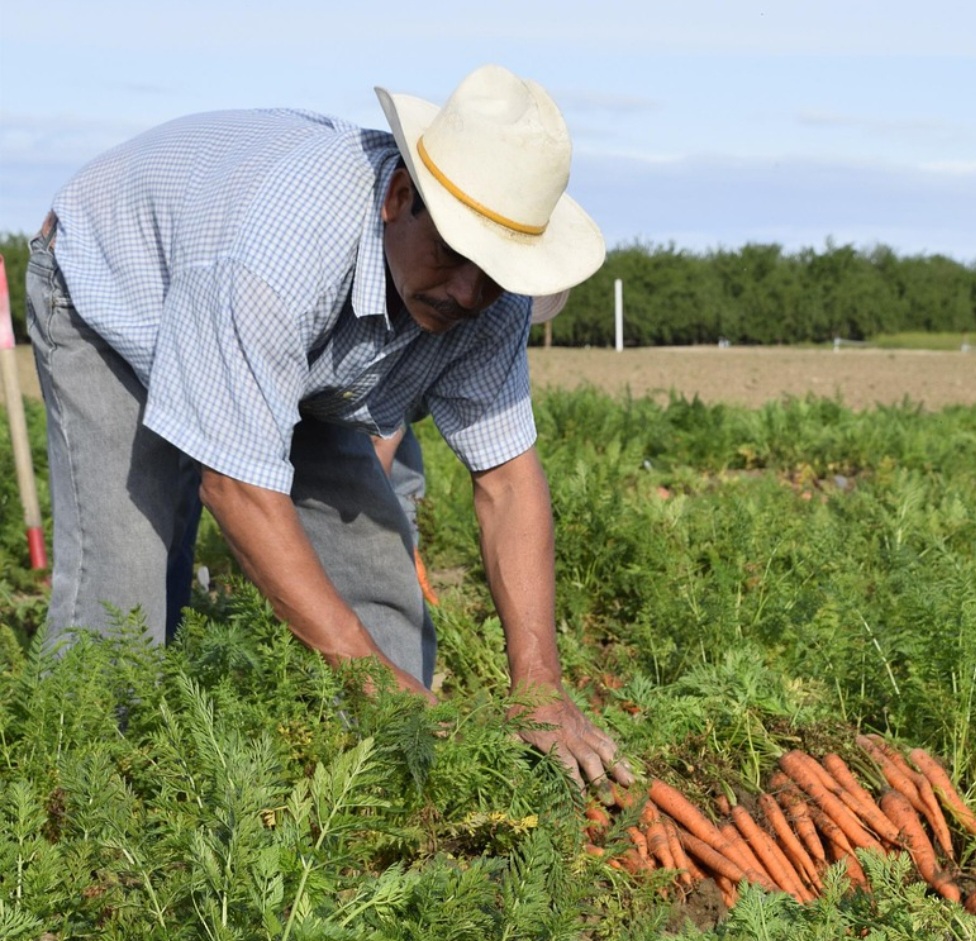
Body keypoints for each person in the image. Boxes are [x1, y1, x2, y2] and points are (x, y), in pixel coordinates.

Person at [26, 64, 631, 793]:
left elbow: (508, 481)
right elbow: (237, 487)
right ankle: (71, 823)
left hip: (308, 357)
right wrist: (363, 676)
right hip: (119, 294)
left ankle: (391, 800)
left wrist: (538, 689)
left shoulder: (485, 300)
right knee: (125, 590)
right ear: (400, 198)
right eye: (456, 255)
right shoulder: (279, 251)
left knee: (380, 584)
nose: (470, 293)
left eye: (496, 272)